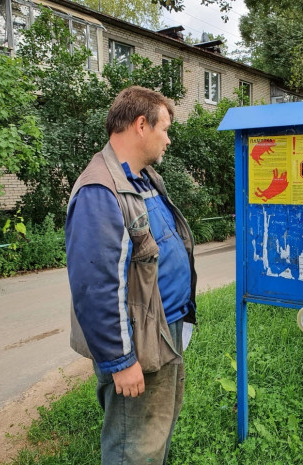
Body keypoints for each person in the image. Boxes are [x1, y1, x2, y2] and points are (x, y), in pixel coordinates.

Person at [65, 86, 197, 465]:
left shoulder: (146, 179)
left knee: (155, 434)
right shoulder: (99, 191)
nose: (168, 139)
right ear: (142, 124)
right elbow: (95, 289)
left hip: (163, 330)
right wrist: (120, 361)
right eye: (165, 129)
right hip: (137, 343)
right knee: (132, 448)